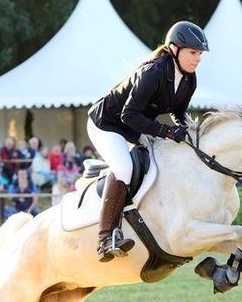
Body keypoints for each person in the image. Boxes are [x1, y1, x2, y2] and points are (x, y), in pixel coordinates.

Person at [87, 21, 206, 261]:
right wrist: (168, 132)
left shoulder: (189, 79)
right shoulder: (153, 72)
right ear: (174, 48)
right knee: (124, 168)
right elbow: (127, 115)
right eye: (193, 52)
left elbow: (178, 112)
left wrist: (189, 130)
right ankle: (105, 238)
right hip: (107, 124)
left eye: (200, 54)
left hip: (134, 127)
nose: (198, 59)